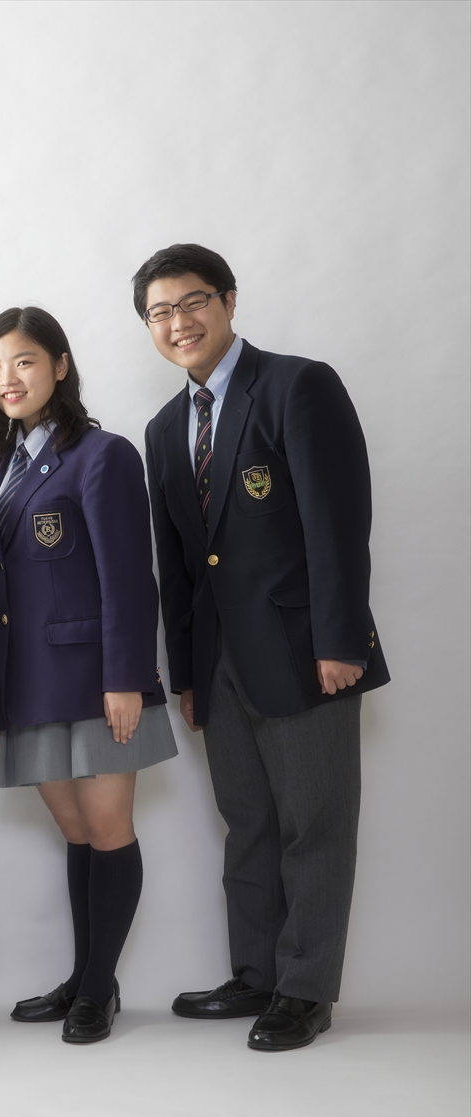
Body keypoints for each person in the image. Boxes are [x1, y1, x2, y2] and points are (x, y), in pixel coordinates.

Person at [136, 243, 390, 1051]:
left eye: (193, 302)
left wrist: (341, 639)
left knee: (314, 824)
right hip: (218, 664)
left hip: (305, 651)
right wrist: (185, 672)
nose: (180, 322)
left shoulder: (297, 386)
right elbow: (179, 563)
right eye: (160, 312)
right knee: (246, 822)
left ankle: (305, 990)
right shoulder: (164, 428)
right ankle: (255, 975)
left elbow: (337, 524)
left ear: (230, 301)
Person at [0, 307, 177, 1045]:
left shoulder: (101, 455)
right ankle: (90, 977)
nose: (8, 379)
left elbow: (129, 578)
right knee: (74, 829)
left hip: (95, 679)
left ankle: (95, 990)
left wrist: (127, 677)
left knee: (107, 827)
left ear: (59, 366)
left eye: (24, 361)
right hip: (28, 683)